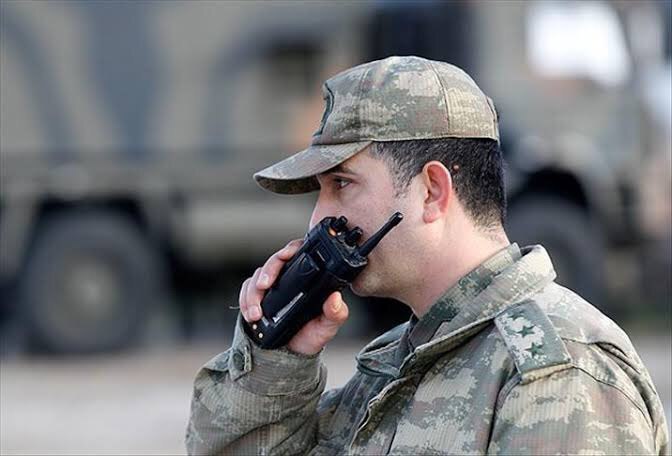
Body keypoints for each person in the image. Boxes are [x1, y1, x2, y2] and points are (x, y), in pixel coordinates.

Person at [185, 56, 669, 455]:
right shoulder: (397, 365)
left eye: (342, 184)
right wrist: (276, 355)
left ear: (432, 190)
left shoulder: (559, 375)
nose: (318, 219)